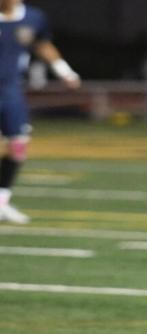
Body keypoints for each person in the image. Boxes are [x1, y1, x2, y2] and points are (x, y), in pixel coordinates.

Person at [0, 0, 78, 225]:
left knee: (18, 145)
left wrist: (64, 71)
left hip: (11, 91)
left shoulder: (33, 17)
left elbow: (42, 44)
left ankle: (2, 201)